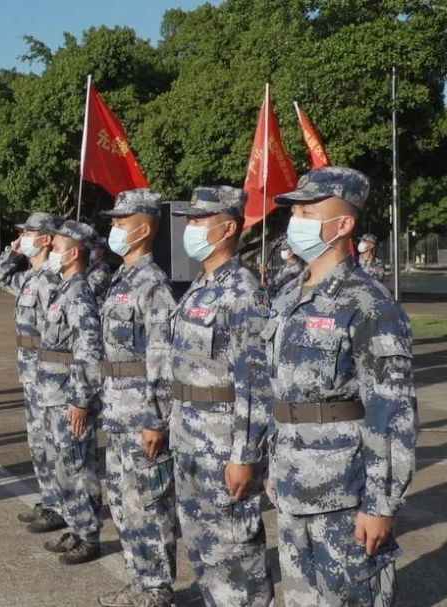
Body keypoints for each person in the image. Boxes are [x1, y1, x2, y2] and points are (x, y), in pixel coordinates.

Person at [265, 167, 417, 606]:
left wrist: (380, 504)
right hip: (293, 484)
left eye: (310, 211)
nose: (298, 220)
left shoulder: (369, 304)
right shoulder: (289, 295)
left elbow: (392, 413)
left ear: (344, 224)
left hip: (343, 494)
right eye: (296, 212)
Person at [169, 186, 274, 606]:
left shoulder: (243, 292)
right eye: (190, 221)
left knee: (236, 554)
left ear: (228, 227)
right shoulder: (200, 287)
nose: (190, 229)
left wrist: (245, 454)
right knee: (205, 551)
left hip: (223, 447)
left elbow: (255, 382)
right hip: (191, 440)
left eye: (199, 221)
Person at [96, 189, 179, 607]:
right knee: (124, 505)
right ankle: (138, 579)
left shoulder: (153, 285)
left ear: (143, 228)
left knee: (150, 504)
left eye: (120, 222)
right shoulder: (121, 280)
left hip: (141, 417)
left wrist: (156, 418)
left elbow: (161, 359)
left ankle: (158, 588)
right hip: (117, 412)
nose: (113, 229)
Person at [35, 220, 104, 565]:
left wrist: (80, 400)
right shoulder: (62, 289)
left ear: (73, 253)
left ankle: (89, 535)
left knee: (78, 467)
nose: (51, 253)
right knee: (62, 466)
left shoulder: (79, 293)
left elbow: (89, 350)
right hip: (51, 394)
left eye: (57, 248)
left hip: (68, 398)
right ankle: (76, 526)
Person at [0, 211, 67, 533]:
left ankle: (62, 505)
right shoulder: (30, 276)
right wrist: (11, 251)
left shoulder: (55, 279)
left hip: (49, 370)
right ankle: (49, 496)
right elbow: (3, 278)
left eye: (29, 233)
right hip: (29, 369)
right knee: (38, 441)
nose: (23, 237)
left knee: (55, 442)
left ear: (47, 238)